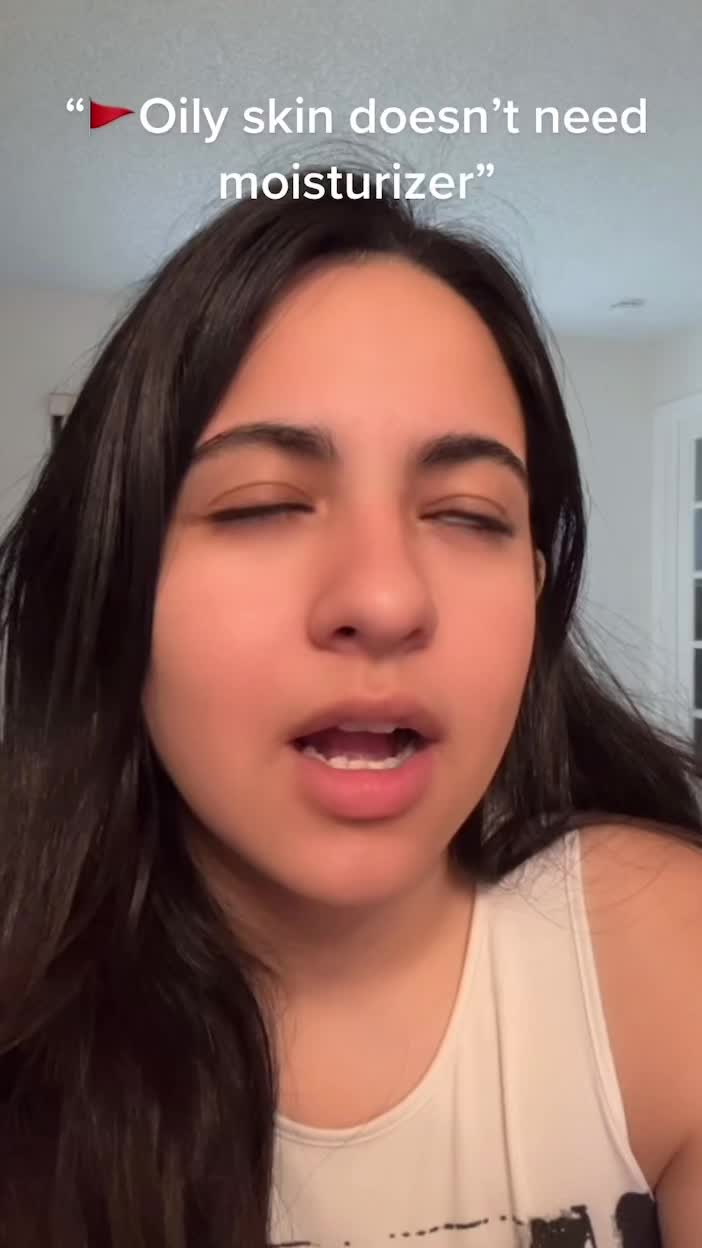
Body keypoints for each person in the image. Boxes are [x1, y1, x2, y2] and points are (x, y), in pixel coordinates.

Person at [0, 161, 700, 1248]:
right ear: (112, 580)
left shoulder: (660, 949)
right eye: (263, 504)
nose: (385, 599)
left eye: (468, 515)